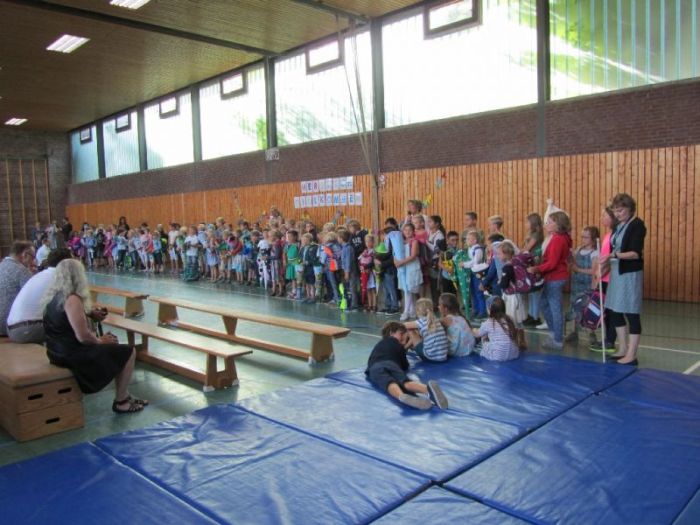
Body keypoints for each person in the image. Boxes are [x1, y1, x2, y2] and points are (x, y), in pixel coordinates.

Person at [41, 259, 147, 413]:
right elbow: (83, 336)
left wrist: (88, 314)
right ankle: (121, 401)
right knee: (128, 351)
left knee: (116, 350)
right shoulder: (72, 299)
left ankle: (125, 394)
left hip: (55, 351)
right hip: (72, 355)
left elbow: (65, 323)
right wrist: (100, 341)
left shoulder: (54, 296)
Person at [600, 193, 647, 366]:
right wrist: (604, 264)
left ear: (630, 208)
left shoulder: (637, 225)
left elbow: (635, 253)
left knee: (631, 312)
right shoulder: (619, 226)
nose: (618, 214)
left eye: (621, 210)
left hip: (629, 274)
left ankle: (632, 354)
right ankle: (622, 348)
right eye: (616, 211)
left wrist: (613, 255)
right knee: (615, 311)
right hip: (616, 273)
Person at [365, 321, 448, 411]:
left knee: (388, 382)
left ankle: (401, 395)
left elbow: (370, 361)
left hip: (375, 366)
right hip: (393, 365)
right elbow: (405, 365)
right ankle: (427, 390)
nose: (403, 337)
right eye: (401, 334)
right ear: (391, 333)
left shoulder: (379, 344)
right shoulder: (399, 346)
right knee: (405, 382)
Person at [7, 249, 74, 343]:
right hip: (28, 329)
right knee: (74, 324)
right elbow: (73, 306)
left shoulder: (41, 275)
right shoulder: (61, 277)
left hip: (12, 328)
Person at [528, 211, 572, 350]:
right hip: (554, 276)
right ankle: (555, 334)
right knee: (545, 304)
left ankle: (557, 339)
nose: (547, 224)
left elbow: (552, 263)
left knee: (554, 309)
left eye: (550, 222)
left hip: (555, 277)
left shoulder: (558, 239)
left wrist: (536, 269)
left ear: (558, 224)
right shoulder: (560, 237)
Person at [590, 208, 618, 352]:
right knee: (605, 311)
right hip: (603, 277)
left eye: (604, 215)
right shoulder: (608, 235)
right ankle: (607, 339)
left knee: (611, 312)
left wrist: (601, 274)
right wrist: (596, 274)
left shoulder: (614, 235)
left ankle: (610, 341)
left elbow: (610, 260)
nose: (602, 217)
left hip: (608, 279)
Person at [566, 226, 600, 345]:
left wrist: (577, 269)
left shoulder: (595, 252)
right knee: (575, 306)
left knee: (586, 309)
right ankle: (574, 332)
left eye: (586, 237)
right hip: (576, 284)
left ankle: (591, 333)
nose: (583, 239)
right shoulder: (579, 249)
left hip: (587, 285)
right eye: (582, 237)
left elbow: (593, 271)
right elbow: (572, 262)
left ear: (593, 238)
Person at [0, 241, 35, 336]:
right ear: (24, 255)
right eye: (33, 257)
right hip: (8, 325)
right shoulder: (21, 271)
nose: (33, 261)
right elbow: (34, 297)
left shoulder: (2, 265)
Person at [473, 297, 523, 361]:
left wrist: (473, 330)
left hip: (497, 355)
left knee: (483, 338)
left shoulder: (489, 322)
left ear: (490, 309)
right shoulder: (510, 319)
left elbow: (478, 334)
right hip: (513, 353)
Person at [404, 298, 449, 362]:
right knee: (418, 331)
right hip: (443, 357)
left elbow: (404, 325)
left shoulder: (421, 322)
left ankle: (403, 349)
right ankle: (406, 348)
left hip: (430, 358)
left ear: (418, 311)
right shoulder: (436, 319)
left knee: (411, 331)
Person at [395, 223, 422, 321]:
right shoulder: (401, 241)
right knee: (405, 289)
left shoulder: (414, 242)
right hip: (402, 267)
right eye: (405, 230)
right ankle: (412, 310)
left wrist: (401, 262)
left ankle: (406, 311)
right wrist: (396, 262)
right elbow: (395, 253)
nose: (407, 232)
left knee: (409, 289)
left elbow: (413, 255)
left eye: (409, 230)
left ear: (413, 231)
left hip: (411, 267)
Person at [522, 213, 545, 327]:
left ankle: (535, 316)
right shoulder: (531, 234)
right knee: (530, 291)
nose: (525, 224)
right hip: (530, 263)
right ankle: (531, 314)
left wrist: (526, 242)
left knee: (535, 292)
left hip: (536, 263)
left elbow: (527, 248)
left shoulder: (536, 235)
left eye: (527, 222)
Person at [438, 293, 475, 357]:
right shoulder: (461, 317)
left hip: (457, 351)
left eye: (439, 304)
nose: (438, 306)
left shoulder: (446, 319)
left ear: (445, 309)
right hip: (470, 348)